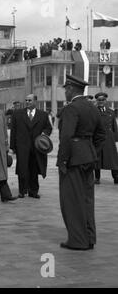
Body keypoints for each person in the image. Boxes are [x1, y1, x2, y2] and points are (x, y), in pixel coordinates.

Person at [57, 75, 106, 250]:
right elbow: (101, 136)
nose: (65, 92)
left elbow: (66, 136)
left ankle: (77, 240)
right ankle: (89, 237)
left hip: (73, 160)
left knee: (71, 200)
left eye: (66, 89)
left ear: (71, 89)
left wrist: (62, 160)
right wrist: (91, 151)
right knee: (87, 199)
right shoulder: (93, 108)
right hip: (88, 157)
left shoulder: (72, 109)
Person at [10, 94, 53, 199]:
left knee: (34, 169)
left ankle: (33, 191)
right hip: (22, 147)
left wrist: (44, 133)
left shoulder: (43, 115)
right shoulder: (17, 114)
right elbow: (13, 131)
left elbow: (48, 128)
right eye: (26, 100)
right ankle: (22, 191)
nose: (27, 102)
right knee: (22, 169)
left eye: (30, 100)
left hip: (36, 148)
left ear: (35, 101)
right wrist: (13, 147)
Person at [93, 92, 118, 184]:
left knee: (113, 159)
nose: (101, 102)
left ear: (105, 100)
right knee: (97, 159)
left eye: (103, 100)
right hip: (98, 138)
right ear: (97, 101)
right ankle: (97, 177)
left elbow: (114, 126)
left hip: (109, 139)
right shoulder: (94, 111)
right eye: (99, 100)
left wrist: (116, 138)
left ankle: (116, 176)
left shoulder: (111, 112)